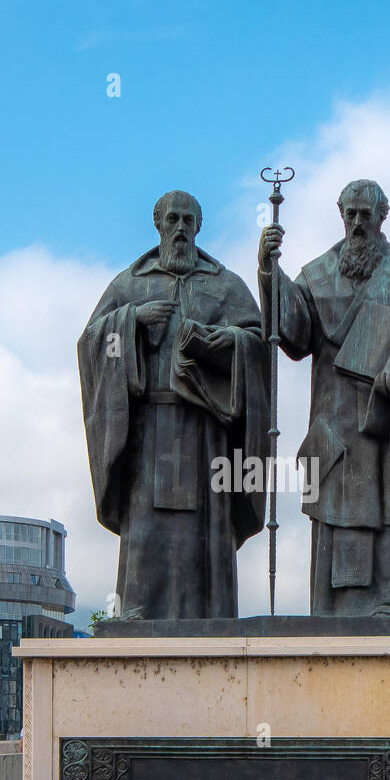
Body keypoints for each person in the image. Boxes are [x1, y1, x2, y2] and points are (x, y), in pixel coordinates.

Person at [259, 178, 390, 616]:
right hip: (334, 422)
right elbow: (293, 335)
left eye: (366, 214)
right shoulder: (315, 275)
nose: (358, 222)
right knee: (336, 512)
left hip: (388, 421)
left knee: (389, 512)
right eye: (351, 213)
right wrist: (270, 274)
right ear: (340, 214)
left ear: (383, 216)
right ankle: (333, 611)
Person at [78, 190, 268, 619]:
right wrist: (131, 322)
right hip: (149, 432)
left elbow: (259, 343)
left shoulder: (225, 284)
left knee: (207, 533)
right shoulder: (130, 284)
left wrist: (231, 341)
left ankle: (211, 617)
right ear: (157, 223)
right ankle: (138, 618)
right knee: (146, 532)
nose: (180, 229)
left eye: (188, 220)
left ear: (199, 226)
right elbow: (91, 344)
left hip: (206, 435)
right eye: (172, 220)